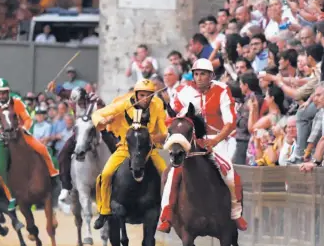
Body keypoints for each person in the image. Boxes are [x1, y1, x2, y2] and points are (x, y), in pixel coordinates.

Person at [158, 59, 247, 233]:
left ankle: (236, 214)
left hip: (218, 139)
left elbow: (230, 122)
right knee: (173, 172)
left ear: (211, 75)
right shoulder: (183, 91)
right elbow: (173, 117)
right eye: (196, 74)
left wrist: (215, 141)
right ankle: (166, 215)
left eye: (203, 74)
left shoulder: (222, 90)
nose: (199, 78)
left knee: (229, 172)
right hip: (190, 140)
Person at [91, 79, 168, 230]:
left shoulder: (158, 105)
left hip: (149, 149)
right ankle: (104, 211)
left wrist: (155, 138)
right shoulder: (124, 104)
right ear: (136, 94)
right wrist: (104, 119)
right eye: (142, 95)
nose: (145, 98)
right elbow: (97, 114)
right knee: (105, 175)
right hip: (125, 148)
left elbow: (164, 130)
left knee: (167, 173)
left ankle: (167, 213)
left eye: (148, 95)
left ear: (153, 96)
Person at [0, 78, 59, 208]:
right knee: (1, 170)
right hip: (3, 139)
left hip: (20, 134)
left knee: (42, 149)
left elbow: (27, 119)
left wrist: (23, 129)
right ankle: (11, 197)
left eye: (3, 93)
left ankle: (53, 174)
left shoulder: (17, 102)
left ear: (8, 92)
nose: (1, 96)